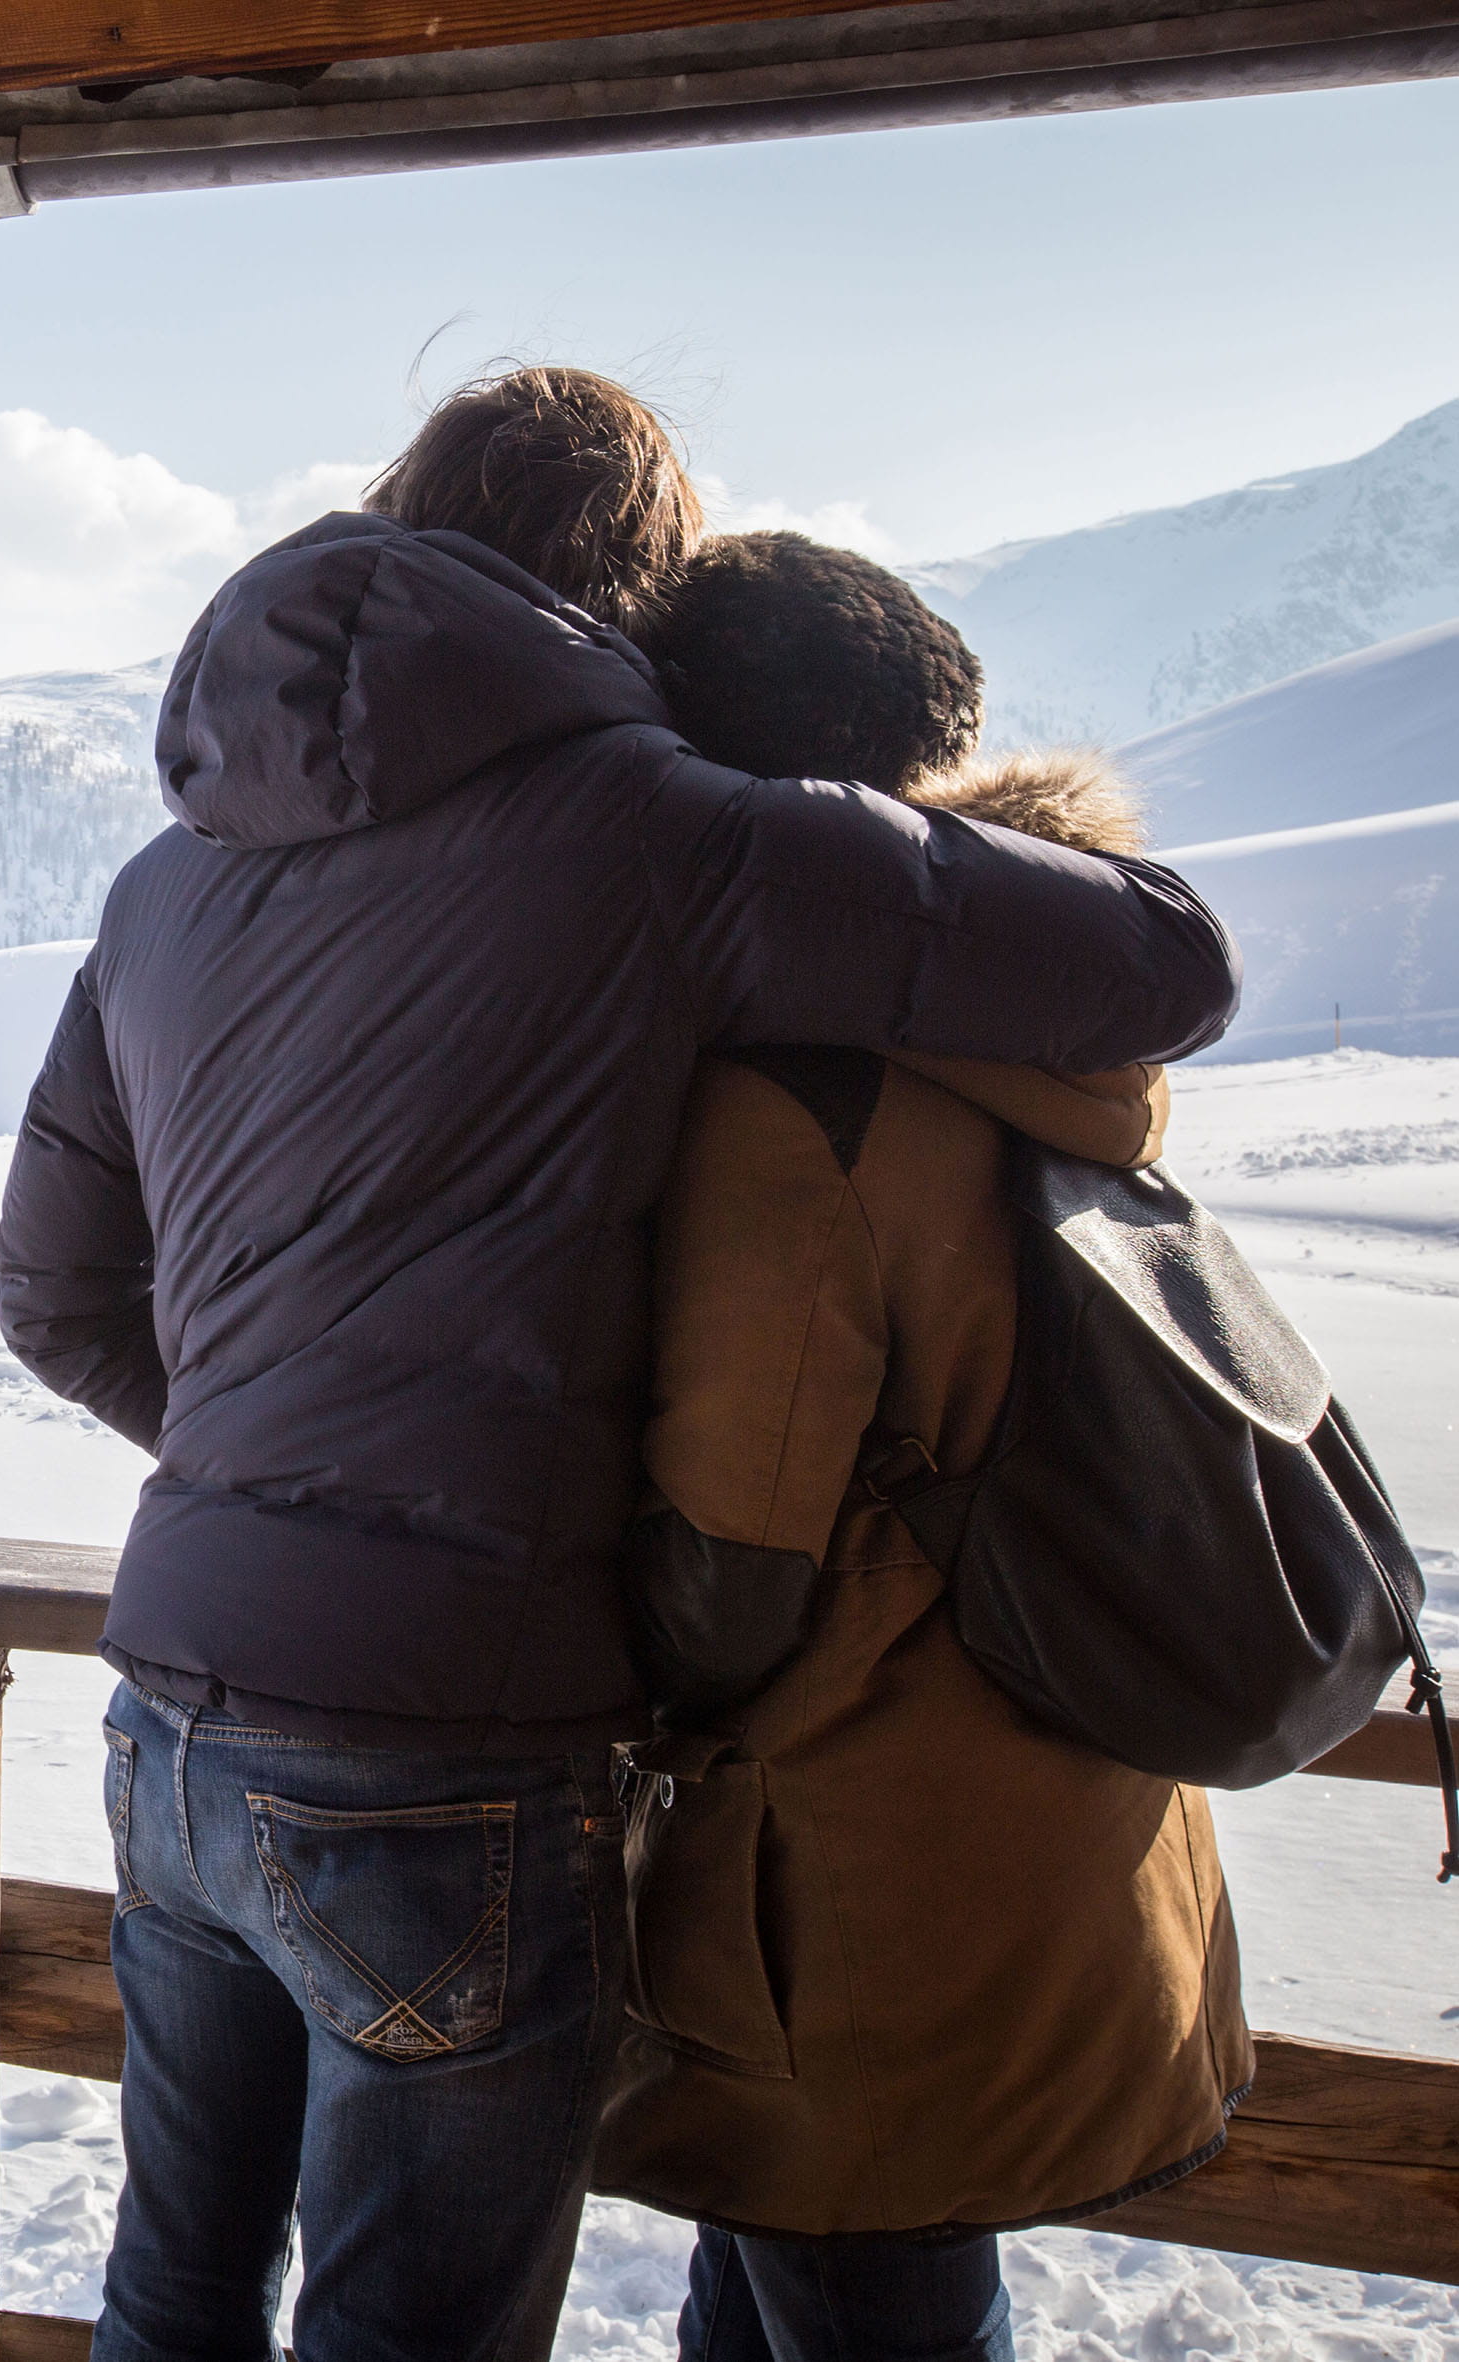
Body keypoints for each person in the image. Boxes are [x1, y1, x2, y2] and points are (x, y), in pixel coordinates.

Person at [0, 369, 1239, 2362]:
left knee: (172, 2283)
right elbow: (1163, 961)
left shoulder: (161, 884)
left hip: (164, 1716)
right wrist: (434, 1524)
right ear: (638, 587)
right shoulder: (661, 834)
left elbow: (58, 1290)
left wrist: (281, 1477)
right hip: (443, 1745)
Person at [597, 532, 1248, 2362]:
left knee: (868, 2299)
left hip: (858, 1883)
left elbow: (732, 1565)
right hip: (1066, 1814)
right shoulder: (1052, 1021)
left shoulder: (804, 1091)